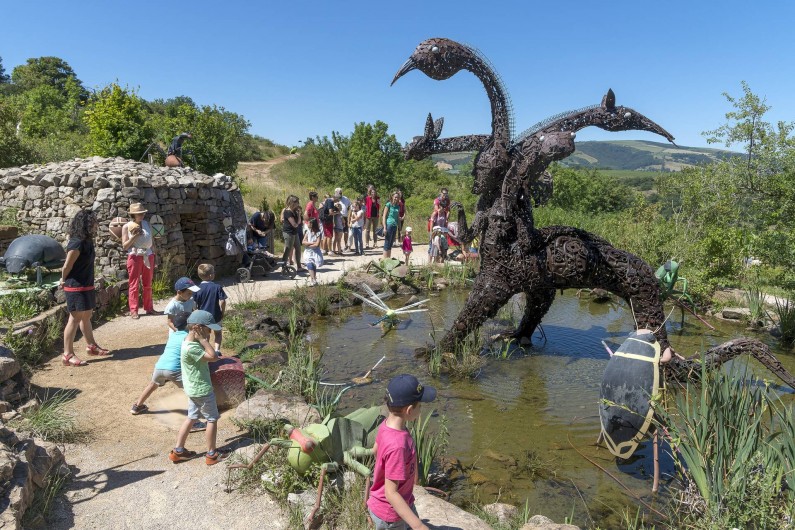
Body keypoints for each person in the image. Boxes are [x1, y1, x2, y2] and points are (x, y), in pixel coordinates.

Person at [367, 374, 436, 530]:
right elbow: (391, 494)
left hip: (402, 502)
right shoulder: (398, 445)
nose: (421, 409)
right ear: (409, 410)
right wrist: (418, 526)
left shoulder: (386, 425)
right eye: (420, 406)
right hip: (392, 514)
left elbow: (376, 451)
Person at [129, 311, 205, 433]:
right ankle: (194, 422)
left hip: (160, 366)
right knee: (191, 391)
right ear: (189, 325)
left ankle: (137, 406)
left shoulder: (174, 334)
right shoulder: (189, 337)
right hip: (174, 370)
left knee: (152, 385)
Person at [169, 310, 226, 465]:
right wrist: (204, 340)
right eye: (208, 329)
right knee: (212, 419)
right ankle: (212, 454)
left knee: (192, 417)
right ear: (198, 328)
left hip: (193, 388)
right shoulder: (193, 347)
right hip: (202, 389)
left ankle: (178, 451)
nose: (210, 333)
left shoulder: (187, 342)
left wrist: (201, 340)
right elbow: (213, 357)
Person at [61, 209, 109, 366]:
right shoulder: (77, 242)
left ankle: (91, 346)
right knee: (74, 318)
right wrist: (63, 280)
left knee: (86, 315)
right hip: (75, 286)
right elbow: (67, 266)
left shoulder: (87, 241)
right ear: (86, 223)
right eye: (93, 221)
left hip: (86, 284)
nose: (96, 224)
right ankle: (67, 354)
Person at [122, 202, 158, 320]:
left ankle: (149, 307)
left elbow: (152, 242)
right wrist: (134, 236)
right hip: (135, 256)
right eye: (139, 214)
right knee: (134, 284)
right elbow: (125, 246)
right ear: (133, 215)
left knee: (148, 283)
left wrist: (155, 257)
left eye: (142, 213)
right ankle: (134, 310)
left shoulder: (147, 224)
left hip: (148, 255)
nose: (141, 215)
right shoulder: (126, 227)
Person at [193, 264, 227, 355]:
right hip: (215, 315)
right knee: (218, 333)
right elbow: (222, 301)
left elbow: (194, 304)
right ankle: (217, 350)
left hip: (203, 317)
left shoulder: (196, 289)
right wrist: (222, 312)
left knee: (205, 335)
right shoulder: (217, 287)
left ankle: (207, 351)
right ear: (211, 275)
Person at [281, 195, 303, 271]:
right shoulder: (287, 212)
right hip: (288, 233)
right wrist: (297, 224)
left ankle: (299, 266)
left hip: (294, 232)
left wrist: (299, 214)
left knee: (298, 248)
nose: (298, 204)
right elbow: (294, 224)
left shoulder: (295, 211)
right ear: (293, 203)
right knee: (288, 249)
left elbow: (299, 222)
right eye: (297, 202)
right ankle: (283, 266)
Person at [302, 218, 324, 287]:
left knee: (313, 266)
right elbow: (303, 242)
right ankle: (313, 279)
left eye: (308, 223)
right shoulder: (307, 231)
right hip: (308, 252)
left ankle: (313, 280)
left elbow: (317, 244)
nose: (307, 224)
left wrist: (308, 244)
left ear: (312, 224)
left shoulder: (318, 233)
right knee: (309, 264)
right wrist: (311, 243)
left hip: (315, 252)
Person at [382, 191, 402, 259]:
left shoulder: (397, 206)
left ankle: (388, 259)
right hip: (389, 225)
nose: (396, 198)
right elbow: (384, 216)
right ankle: (385, 260)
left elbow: (398, 218)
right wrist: (384, 227)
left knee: (390, 243)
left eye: (398, 197)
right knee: (387, 243)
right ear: (392, 197)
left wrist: (400, 228)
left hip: (394, 225)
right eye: (395, 197)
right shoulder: (388, 204)